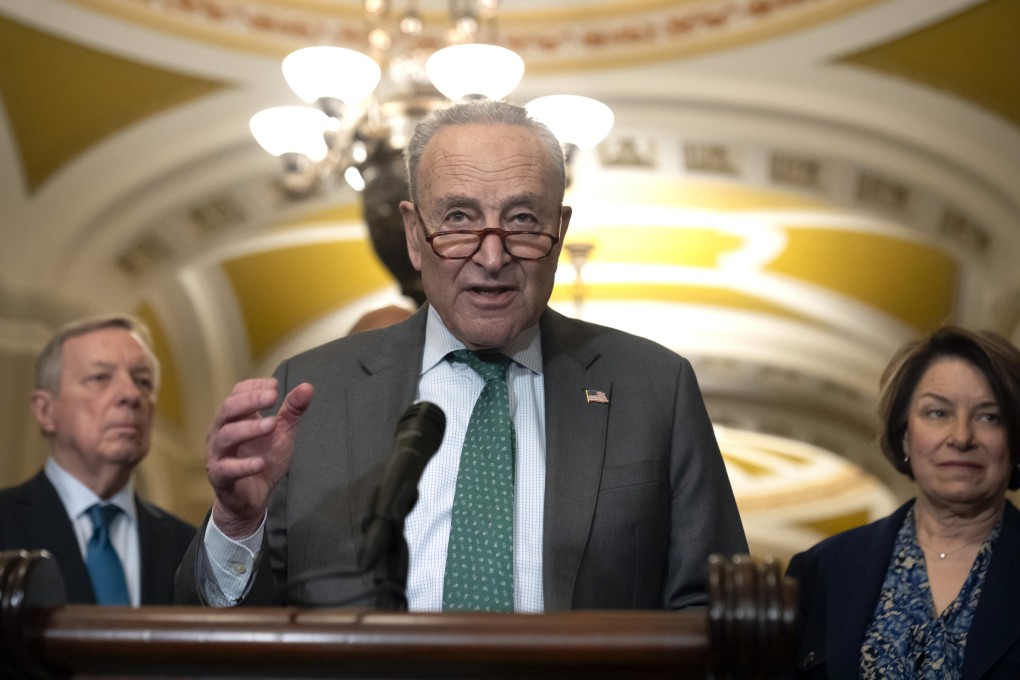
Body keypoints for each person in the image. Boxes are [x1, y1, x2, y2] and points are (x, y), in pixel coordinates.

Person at [175, 99, 747, 611]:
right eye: (458, 219)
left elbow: (721, 615)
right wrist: (238, 525)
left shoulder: (652, 388)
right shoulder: (313, 391)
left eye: (523, 220)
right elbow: (237, 635)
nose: (492, 256)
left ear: (560, 228)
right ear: (413, 235)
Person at [786, 326, 1020, 678]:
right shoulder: (822, 571)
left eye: (989, 416)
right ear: (904, 435)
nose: (961, 437)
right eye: (938, 413)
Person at [0, 314, 195, 606]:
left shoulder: (190, 549)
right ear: (45, 411)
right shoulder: (6, 522)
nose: (131, 394)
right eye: (100, 378)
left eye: (142, 380)